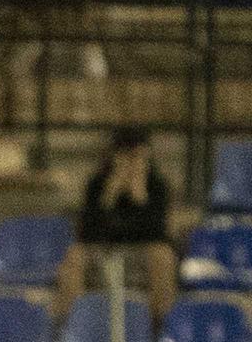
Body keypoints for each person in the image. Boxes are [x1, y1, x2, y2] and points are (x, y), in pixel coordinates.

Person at [51, 124, 175, 329]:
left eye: (136, 156)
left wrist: (140, 198)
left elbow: (158, 233)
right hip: (104, 249)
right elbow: (87, 232)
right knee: (75, 255)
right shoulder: (97, 185)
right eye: (124, 156)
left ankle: (159, 327)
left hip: (142, 251)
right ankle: (71, 325)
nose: (130, 163)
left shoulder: (157, 186)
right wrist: (108, 197)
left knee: (162, 256)